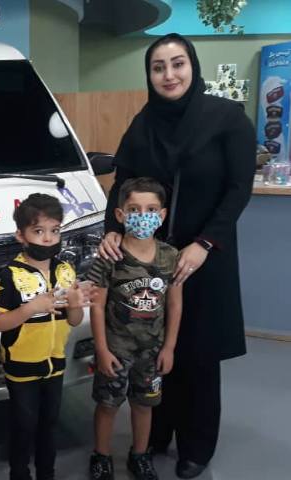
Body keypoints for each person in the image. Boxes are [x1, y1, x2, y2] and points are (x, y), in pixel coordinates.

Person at [98, 33, 255, 479]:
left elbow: (237, 190)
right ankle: (157, 432)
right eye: (158, 67)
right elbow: (123, 185)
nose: (169, 74)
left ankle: (197, 446)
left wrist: (204, 244)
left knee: (197, 351)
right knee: (152, 346)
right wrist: (112, 231)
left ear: (193, 66)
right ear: (149, 75)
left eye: (178, 63)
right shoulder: (143, 124)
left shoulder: (227, 119)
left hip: (202, 256)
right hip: (149, 258)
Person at [0, 193, 90, 480]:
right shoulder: (10, 275)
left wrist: (75, 304)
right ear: (21, 235)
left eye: (54, 230)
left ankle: (47, 473)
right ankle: (19, 473)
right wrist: (30, 308)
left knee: (50, 424)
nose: (47, 238)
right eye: (38, 231)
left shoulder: (65, 271)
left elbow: (74, 320)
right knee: (24, 425)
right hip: (21, 365)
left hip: (55, 363)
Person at [87, 178, 183, 480]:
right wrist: (101, 350)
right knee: (108, 405)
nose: (143, 216)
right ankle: (101, 457)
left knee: (144, 405)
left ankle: (139, 455)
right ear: (120, 214)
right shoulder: (109, 256)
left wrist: (169, 348)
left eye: (151, 209)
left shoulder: (170, 256)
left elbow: (174, 305)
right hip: (115, 351)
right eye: (134, 209)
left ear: (162, 215)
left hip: (152, 352)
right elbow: (96, 306)